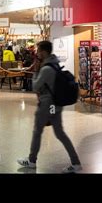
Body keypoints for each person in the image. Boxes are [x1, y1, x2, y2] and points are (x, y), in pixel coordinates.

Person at [17, 41, 82, 173]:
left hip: (47, 105)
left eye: (39, 50)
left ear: (44, 52)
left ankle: (32, 161)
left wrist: (35, 71)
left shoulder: (46, 69)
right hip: (56, 105)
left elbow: (35, 86)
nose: (37, 53)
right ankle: (75, 163)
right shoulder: (55, 64)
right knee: (60, 134)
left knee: (37, 132)